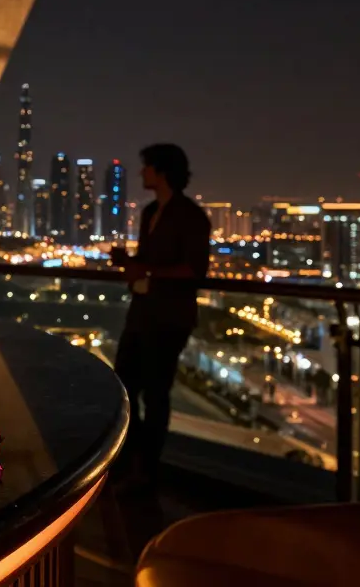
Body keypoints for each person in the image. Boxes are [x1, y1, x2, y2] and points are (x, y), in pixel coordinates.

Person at [109, 144, 211, 486]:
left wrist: (145, 270)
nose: (142, 172)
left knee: (155, 393)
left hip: (169, 317)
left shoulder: (191, 216)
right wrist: (130, 264)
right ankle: (132, 460)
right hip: (142, 312)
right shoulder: (151, 211)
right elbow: (148, 264)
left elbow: (194, 269)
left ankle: (145, 469)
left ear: (162, 171)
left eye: (147, 167)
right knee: (124, 386)